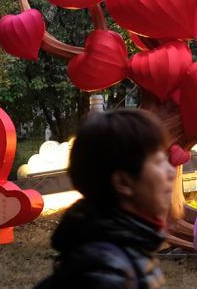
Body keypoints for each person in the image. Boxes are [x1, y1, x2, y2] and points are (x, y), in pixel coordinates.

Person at [36, 109, 176, 289]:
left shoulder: (125, 251)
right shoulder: (105, 273)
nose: (171, 172)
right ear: (123, 182)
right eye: (158, 161)